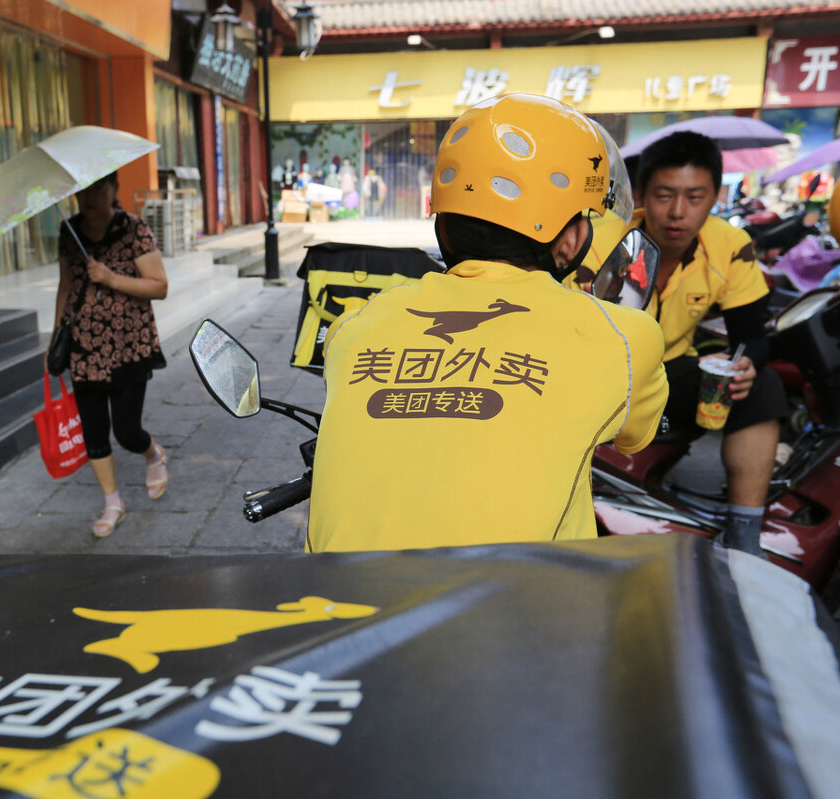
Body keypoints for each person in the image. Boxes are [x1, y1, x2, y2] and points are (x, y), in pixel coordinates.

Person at [307, 94, 668, 553]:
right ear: (575, 237)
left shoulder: (354, 327)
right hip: (516, 612)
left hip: (335, 608)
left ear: (442, 226)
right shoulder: (623, 337)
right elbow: (635, 438)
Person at [629, 131, 786, 556]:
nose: (678, 212)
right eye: (664, 195)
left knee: (764, 387)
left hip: (671, 371)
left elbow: (751, 338)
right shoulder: (604, 240)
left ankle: (743, 538)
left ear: (716, 196)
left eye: (694, 197)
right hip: (599, 375)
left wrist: (744, 365)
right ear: (642, 194)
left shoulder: (730, 246)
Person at [53, 171, 169, 538]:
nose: (87, 197)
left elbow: (159, 287)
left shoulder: (134, 230)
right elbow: (66, 286)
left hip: (128, 346)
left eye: (96, 188)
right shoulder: (68, 232)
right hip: (84, 347)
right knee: (95, 432)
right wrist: (55, 337)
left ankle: (152, 454)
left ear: (114, 190)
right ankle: (113, 503)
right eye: (80, 190)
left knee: (127, 431)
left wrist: (110, 278)